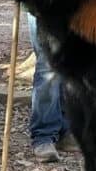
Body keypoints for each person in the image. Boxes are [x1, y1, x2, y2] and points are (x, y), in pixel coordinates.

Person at [26, 13, 79, 163]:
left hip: (74, 1)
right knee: (48, 65)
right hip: (42, 2)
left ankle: (66, 131)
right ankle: (43, 136)